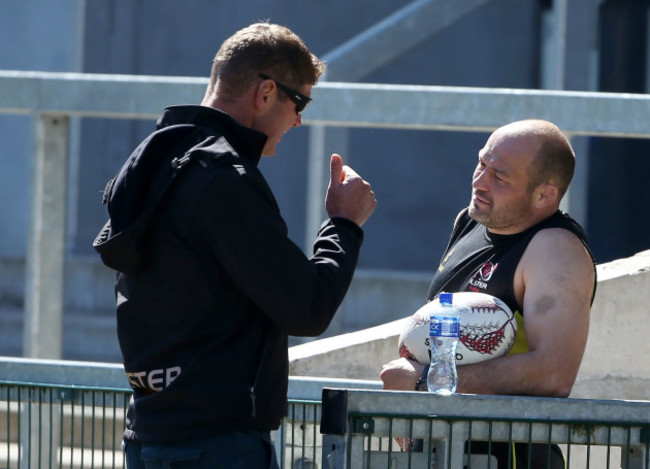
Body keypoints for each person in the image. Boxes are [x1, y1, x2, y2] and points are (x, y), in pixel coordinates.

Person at [93, 22, 376, 469]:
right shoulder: (223, 177)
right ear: (265, 93)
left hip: (148, 435)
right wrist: (344, 225)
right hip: (214, 444)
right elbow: (306, 306)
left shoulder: (154, 158)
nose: (300, 119)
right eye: (298, 101)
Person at [381, 119, 596, 468]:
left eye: (500, 176)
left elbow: (554, 374)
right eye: (481, 163)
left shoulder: (555, 249)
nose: (480, 182)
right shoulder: (469, 222)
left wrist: (425, 381)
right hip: (443, 452)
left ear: (545, 194)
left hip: (510, 457)